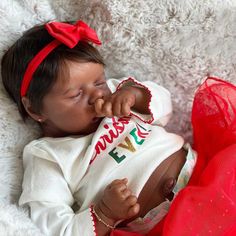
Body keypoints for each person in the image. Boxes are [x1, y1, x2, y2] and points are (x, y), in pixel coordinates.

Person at [1, 20, 197, 236]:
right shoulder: (48, 157)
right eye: (76, 94)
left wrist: (136, 96)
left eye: (99, 82)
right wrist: (105, 213)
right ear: (35, 110)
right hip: (163, 226)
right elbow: (56, 228)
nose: (98, 96)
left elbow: (166, 107)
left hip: (202, 173)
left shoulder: (117, 93)